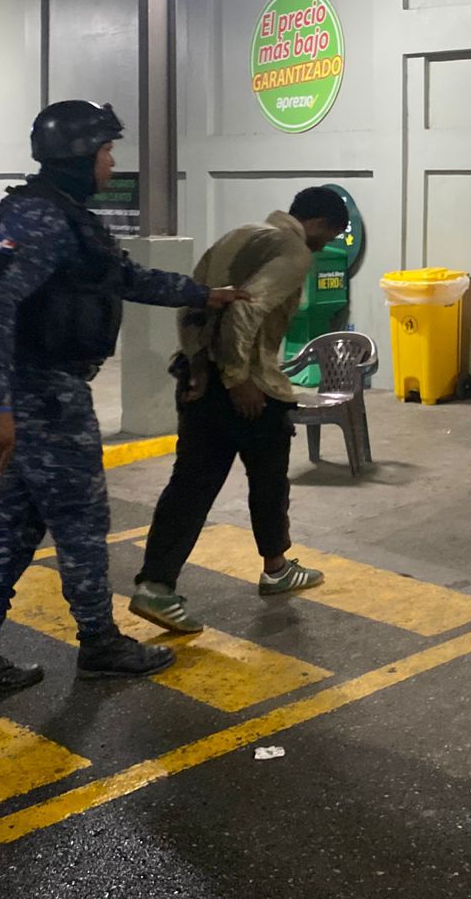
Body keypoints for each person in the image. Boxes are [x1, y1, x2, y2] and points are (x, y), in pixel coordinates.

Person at [0, 101, 246, 707]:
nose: (112, 162)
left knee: (14, 526)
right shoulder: (36, 216)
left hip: (40, 392)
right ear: (79, 155)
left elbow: (124, 277)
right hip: (43, 395)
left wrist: (202, 294)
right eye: (106, 151)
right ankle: (99, 645)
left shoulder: (67, 216)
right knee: (81, 523)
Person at [129, 187, 353, 632]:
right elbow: (245, 312)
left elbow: (194, 301)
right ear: (320, 223)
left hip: (201, 380)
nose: (324, 246)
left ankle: (157, 584)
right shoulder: (293, 251)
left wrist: (198, 364)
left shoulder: (241, 235)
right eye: (329, 236)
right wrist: (237, 380)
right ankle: (275, 569)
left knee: (191, 485)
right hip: (249, 388)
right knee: (267, 481)